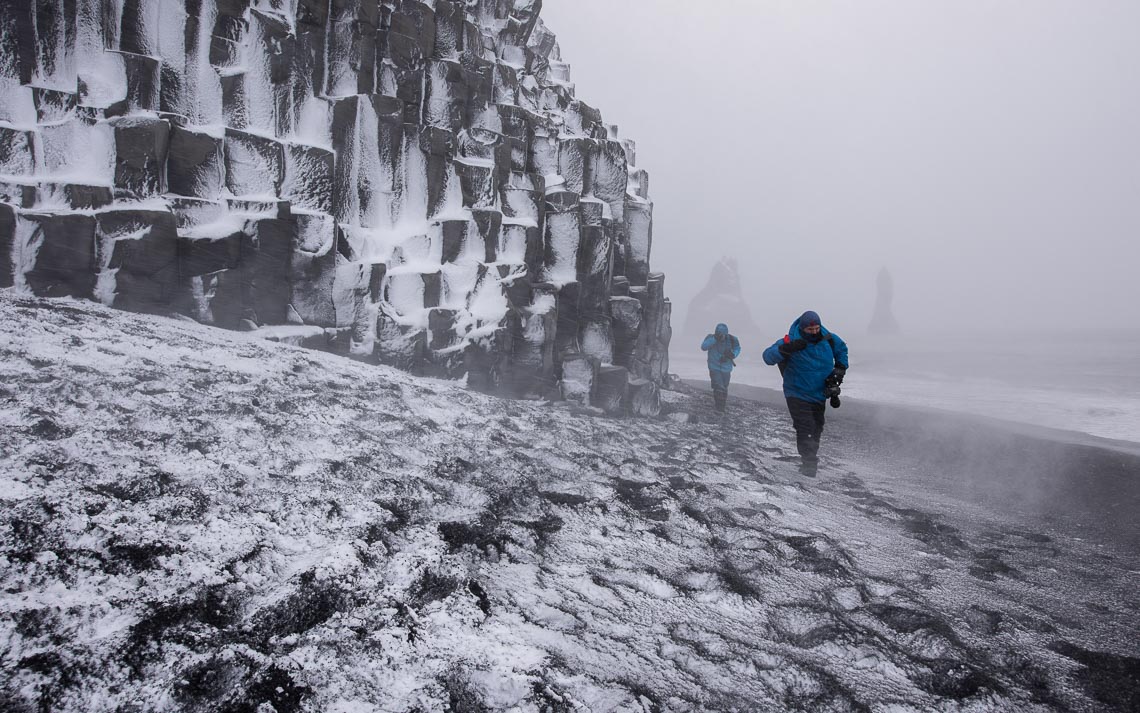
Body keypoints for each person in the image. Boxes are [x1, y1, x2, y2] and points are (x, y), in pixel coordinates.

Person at [762, 311, 849, 476]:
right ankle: (809, 464)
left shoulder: (829, 339)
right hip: (796, 392)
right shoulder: (790, 341)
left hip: (819, 393)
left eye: (817, 328)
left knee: (817, 428)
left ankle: (810, 457)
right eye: (810, 329)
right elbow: (767, 357)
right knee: (805, 426)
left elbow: (842, 350)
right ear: (802, 328)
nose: (815, 332)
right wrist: (786, 349)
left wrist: (840, 369)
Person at [701, 323, 741, 413]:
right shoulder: (710, 338)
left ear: (726, 333)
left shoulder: (732, 339)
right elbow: (703, 347)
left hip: (727, 368)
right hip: (713, 366)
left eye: (722, 334)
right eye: (719, 333)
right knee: (719, 386)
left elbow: (737, 348)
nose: (721, 336)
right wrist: (715, 339)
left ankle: (721, 405)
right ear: (716, 332)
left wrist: (732, 354)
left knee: (724, 387)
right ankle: (720, 408)